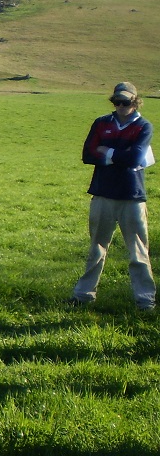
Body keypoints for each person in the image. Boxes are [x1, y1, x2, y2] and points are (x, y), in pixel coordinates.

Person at [69, 81, 156, 310]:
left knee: (138, 251)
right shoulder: (101, 123)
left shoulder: (144, 126)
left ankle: (145, 300)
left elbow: (136, 158)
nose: (120, 105)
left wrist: (106, 151)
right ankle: (83, 295)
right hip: (102, 193)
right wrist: (120, 156)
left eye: (125, 102)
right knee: (96, 248)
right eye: (116, 101)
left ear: (135, 102)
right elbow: (88, 154)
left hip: (132, 196)